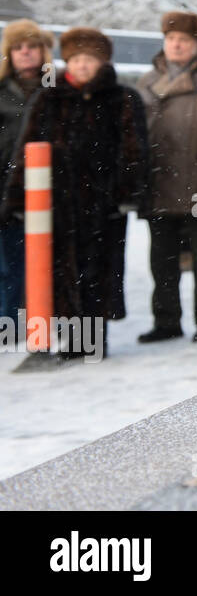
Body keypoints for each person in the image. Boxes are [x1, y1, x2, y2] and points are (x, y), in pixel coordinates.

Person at [2, 28, 148, 358]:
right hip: (60, 202)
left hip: (104, 202)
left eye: (90, 60)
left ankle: (95, 339)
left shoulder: (121, 98)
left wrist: (127, 193)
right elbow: (26, 149)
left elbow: (134, 150)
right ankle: (72, 340)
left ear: (102, 62)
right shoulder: (49, 97)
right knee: (63, 270)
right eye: (77, 59)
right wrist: (16, 198)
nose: (83, 66)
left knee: (100, 270)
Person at [135, 12, 197, 343]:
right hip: (158, 184)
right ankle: (166, 320)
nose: (176, 45)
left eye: (184, 40)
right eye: (171, 39)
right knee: (161, 261)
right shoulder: (146, 81)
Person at [0, 20, 53, 324]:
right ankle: (9, 319)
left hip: (47, 188)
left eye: (32, 46)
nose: (25, 53)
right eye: (18, 47)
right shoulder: (1, 92)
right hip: (5, 187)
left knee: (46, 260)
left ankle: (44, 317)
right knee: (9, 261)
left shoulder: (56, 91)